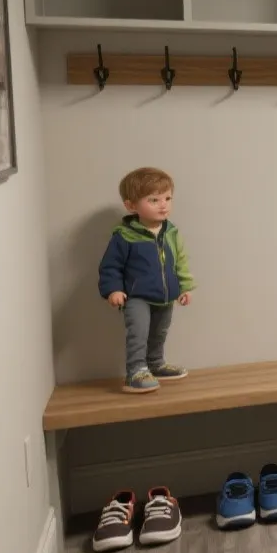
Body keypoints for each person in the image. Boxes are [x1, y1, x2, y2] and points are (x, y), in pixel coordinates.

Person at [97, 167, 196, 394]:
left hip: (166, 295)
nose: (163, 205)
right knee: (138, 332)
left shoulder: (171, 232)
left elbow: (180, 261)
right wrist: (113, 290)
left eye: (167, 198)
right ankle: (136, 371)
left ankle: (155, 364)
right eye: (154, 200)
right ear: (131, 205)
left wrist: (185, 286)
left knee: (159, 331)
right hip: (136, 296)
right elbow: (110, 267)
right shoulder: (125, 236)